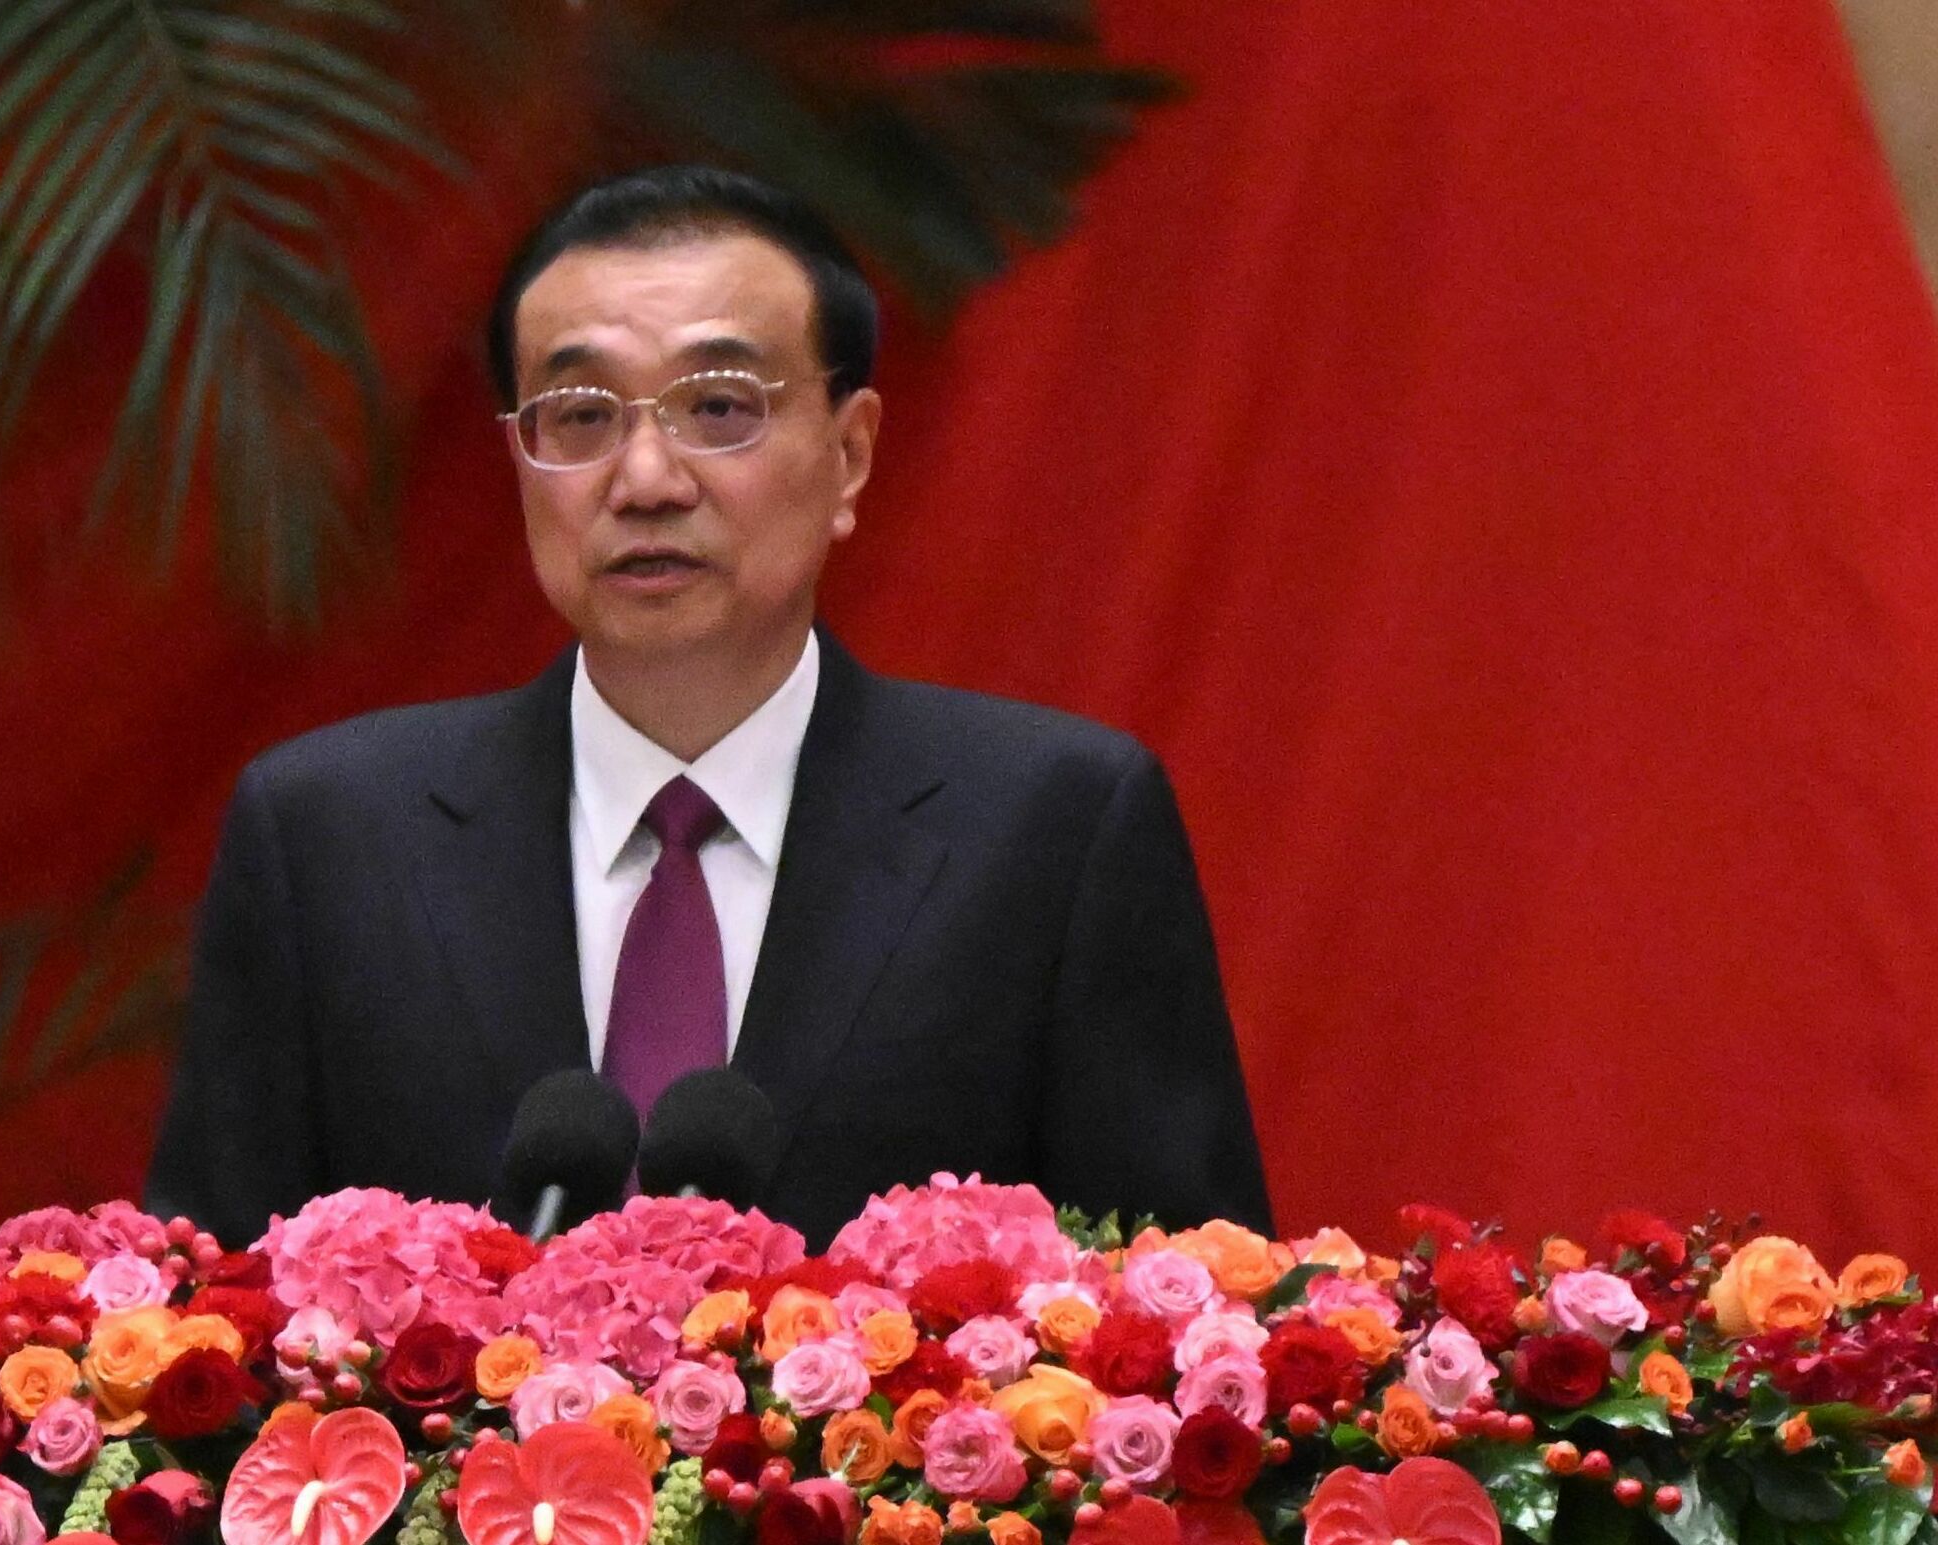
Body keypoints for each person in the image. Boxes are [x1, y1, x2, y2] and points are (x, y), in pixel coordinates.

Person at [146, 166, 1269, 1248]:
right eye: (580, 416)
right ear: (518, 461)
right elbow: (206, 1343)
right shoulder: (330, 836)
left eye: (719, 406)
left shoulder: (1053, 831)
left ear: (849, 454)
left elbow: (1185, 1329)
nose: (645, 479)